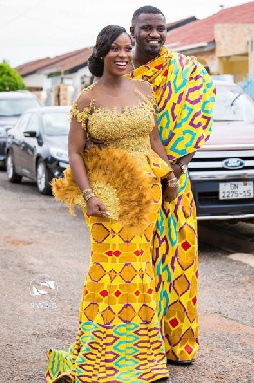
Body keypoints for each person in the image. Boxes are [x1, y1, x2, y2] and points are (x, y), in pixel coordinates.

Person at [45, 24, 179, 383]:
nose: (123, 54)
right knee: (106, 271)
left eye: (127, 48)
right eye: (115, 49)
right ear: (101, 54)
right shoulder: (87, 99)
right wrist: (88, 195)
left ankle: (144, 361)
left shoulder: (145, 90)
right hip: (106, 195)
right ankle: (97, 357)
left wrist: (169, 177)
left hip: (145, 194)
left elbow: (154, 140)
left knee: (139, 271)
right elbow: (74, 152)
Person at [128, 6, 216, 364]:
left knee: (178, 262)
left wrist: (174, 171)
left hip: (176, 183)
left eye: (160, 28)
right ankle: (139, 345)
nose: (154, 34)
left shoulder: (188, 71)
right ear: (131, 30)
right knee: (137, 265)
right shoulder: (120, 70)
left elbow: (199, 118)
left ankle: (177, 345)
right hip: (132, 183)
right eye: (146, 28)